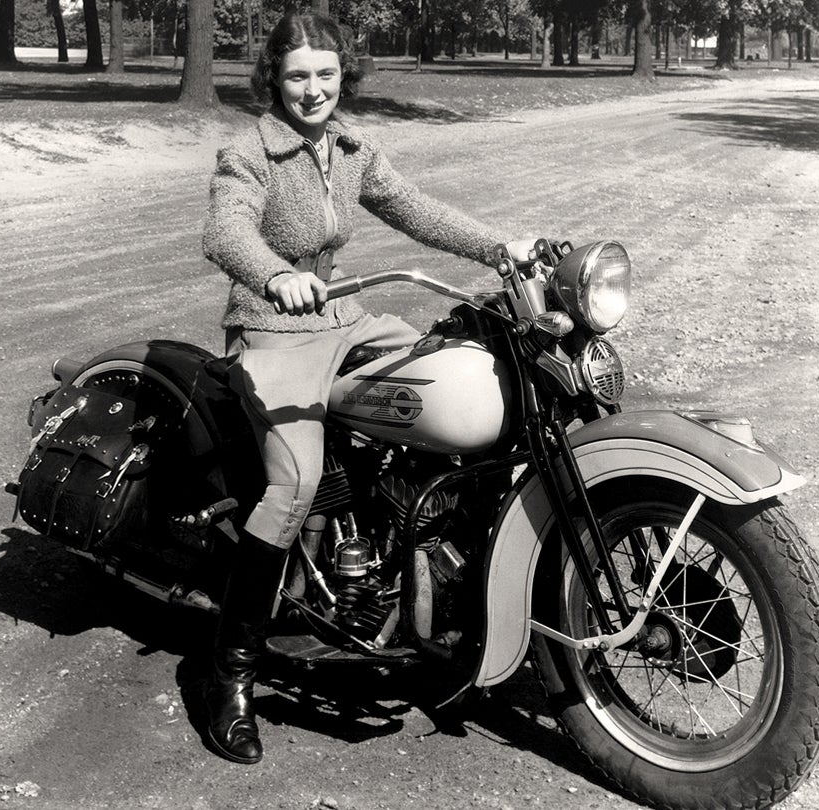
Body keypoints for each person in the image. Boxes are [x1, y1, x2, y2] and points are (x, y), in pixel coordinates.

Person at [201, 10, 523, 765]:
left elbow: (415, 208)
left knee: (449, 378)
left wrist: (502, 248)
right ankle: (229, 676)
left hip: (343, 317)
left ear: (344, 74)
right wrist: (276, 276)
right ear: (272, 79)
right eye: (297, 76)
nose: (313, 90)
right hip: (274, 329)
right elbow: (226, 232)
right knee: (294, 485)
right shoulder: (248, 151)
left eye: (326, 74)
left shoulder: (350, 146)